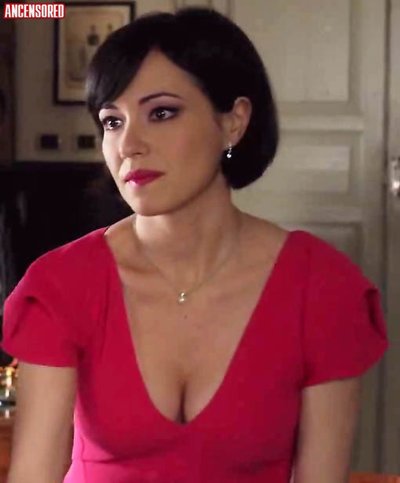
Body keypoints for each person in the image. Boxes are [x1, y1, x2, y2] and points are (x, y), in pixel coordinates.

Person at [1, 7, 389, 483]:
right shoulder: (62, 284)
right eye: (112, 122)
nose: (129, 145)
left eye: (161, 113)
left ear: (234, 122)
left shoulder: (322, 288)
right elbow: (33, 474)